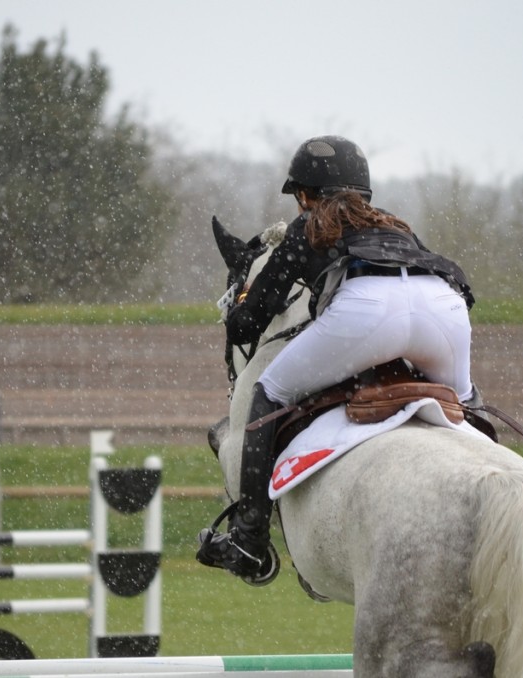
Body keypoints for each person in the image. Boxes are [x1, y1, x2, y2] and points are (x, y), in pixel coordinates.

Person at [197, 135, 477, 584]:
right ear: (364, 192)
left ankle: (248, 537)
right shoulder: (397, 226)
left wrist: (239, 305)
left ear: (305, 195)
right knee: (465, 409)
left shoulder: (307, 227)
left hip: (367, 309)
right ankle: (484, 492)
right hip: (444, 308)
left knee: (268, 391)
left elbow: (247, 326)